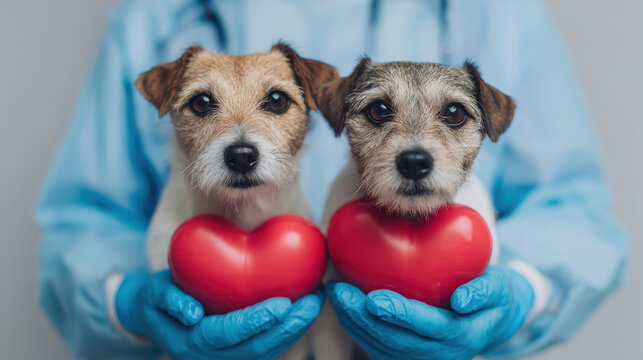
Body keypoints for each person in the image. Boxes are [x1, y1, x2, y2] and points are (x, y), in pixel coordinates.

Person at [35, 0, 629, 359]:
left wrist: (523, 293)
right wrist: (127, 303)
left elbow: (575, 209)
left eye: (453, 116)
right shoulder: (156, 15)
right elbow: (81, 217)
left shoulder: (500, 12)